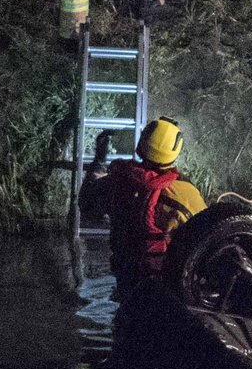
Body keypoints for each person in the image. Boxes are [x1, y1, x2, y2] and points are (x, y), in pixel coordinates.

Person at [79, 118, 207, 283]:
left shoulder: (116, 182)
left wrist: (99, 160)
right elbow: (209, 236)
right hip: (168, 282)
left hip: (126, 278)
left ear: (142, 143)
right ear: (175, 153)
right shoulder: (186, 194)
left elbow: (86, 205)